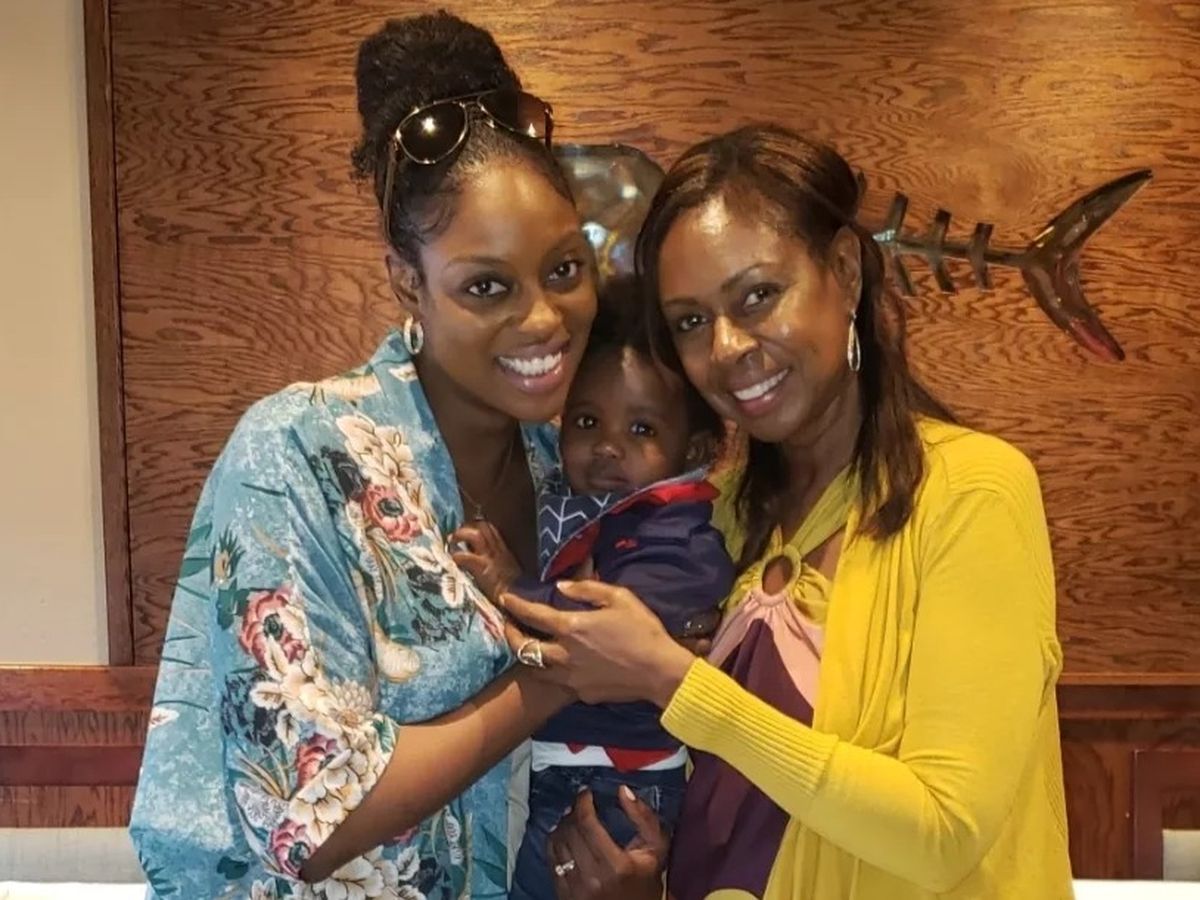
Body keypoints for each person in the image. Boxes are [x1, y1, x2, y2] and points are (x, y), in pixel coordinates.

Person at [499, 124, 1075, 900]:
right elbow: (732, 819)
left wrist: (674, 680)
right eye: (691, 322)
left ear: (844, 272)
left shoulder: (970, 493)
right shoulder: (717, 522)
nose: (726, 348)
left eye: (758, 296)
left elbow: (943, 832)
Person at [129, 13, 599, 899]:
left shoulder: (573, 463)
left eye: (565, 270)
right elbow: (310, 817)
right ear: (406, 280)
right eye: (487, 286)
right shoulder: (297, 454)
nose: (543, 318)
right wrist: (557, 678)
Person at [451, 276, 734, 900]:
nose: (607, 446)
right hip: (570, 764)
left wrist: (509, 586)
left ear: (692, 448)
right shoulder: (582, 502)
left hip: (621, 784)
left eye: (642, 430)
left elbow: (601, 626)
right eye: (586, 421)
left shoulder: (679, 534)